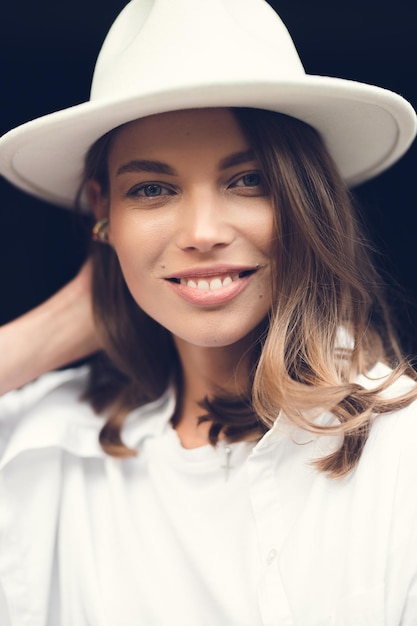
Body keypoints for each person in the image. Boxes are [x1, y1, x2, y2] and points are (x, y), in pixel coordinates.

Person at [0, 0, 416, 624]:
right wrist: (60, 324)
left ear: (307, 200)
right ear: (102, 211)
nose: (202, 232)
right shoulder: (44, 441)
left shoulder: (400, 452)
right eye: (151, 190)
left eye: (248, 180)